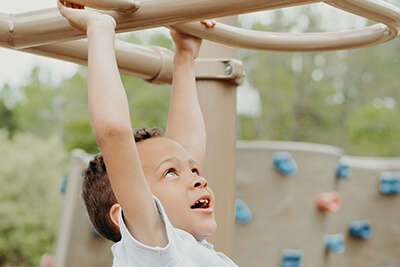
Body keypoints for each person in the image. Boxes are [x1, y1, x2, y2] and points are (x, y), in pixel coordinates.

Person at [57, 1, 237, 266]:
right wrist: (99, 28)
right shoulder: (153, 248)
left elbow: (185, 146)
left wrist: (185, 55)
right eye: (171, 173)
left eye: (195, 171)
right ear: (125, 215)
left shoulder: (183, 249)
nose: (199, 180)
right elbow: (113, 133)